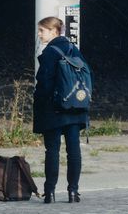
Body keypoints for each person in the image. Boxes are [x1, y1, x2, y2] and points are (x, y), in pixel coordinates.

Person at [33, 15, 90, 204]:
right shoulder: (74, 49)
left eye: (42, 30)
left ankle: (50, 192)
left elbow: (44, 84)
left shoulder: (50, 52)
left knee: (52, 151)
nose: (39, 34)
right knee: (74, 151)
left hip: (54, 109)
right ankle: (73, 192)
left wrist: (40, 106)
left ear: (54, 31)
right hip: (75, 107)